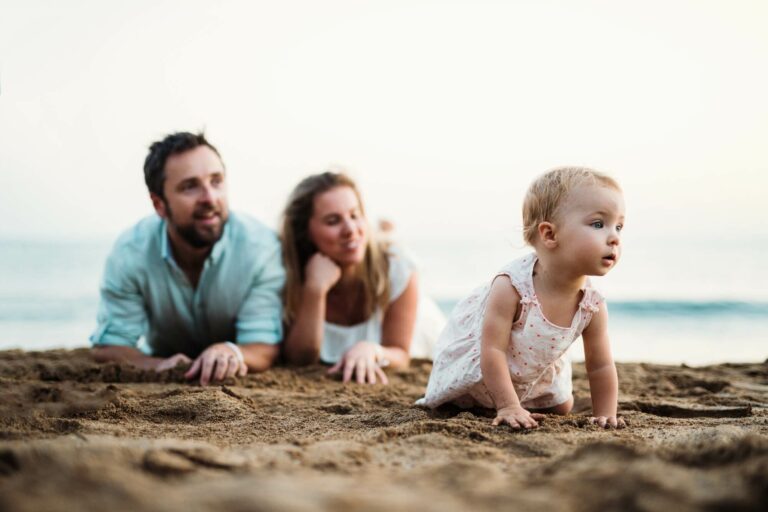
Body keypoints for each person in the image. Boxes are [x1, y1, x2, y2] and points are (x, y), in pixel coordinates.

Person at [417, 167, 626, 429]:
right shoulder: (512, 287)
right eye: (598, 224)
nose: (615, 237)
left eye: (619, 226)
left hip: (532, 368)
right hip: (488, 368)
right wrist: (508, 405)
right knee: (458, 402)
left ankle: (524, 396)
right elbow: (492, 350)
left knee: (563, 406)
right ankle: (503, 398)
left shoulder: (591, 304)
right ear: (550, 234)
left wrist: (606, 413)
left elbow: (600, 365)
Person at [90, 132, 285, 385]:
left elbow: (263, 345)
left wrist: (232, 352)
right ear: (159, 205)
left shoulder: (261, 248)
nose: (210, 198)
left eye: (217, 181)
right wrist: (158, 365)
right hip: (165, 359)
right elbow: (109, 346)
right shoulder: (131, 253)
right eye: (190, 186)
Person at [280, 171, 440, 384]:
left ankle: (388, 232)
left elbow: (400, 352)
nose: (350, 230)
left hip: (422, 334)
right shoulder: (288, 275)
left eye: (355, 215)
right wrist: (315, 290)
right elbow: (301, 358)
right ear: (305, 231)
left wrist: (372, 350)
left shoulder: (397, 266)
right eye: (333, 221)